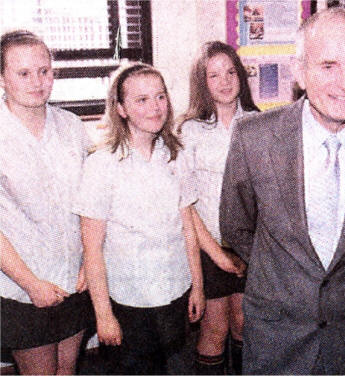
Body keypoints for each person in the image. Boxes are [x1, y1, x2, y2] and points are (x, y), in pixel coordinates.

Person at [220, 8, 345, 374]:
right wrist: (286, 272)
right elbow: (236, 226)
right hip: (278, 336)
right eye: (328, 66)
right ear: (299, 72)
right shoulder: (254, 138)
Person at [73, 63, 227, 374]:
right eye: (141, 100)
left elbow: (187, 227)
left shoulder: (175, 154)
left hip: (173, 290)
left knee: (169, 364)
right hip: (127, 299)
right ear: (121, 109)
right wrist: (103, 315)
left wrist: (197, 286)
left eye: (160, 97)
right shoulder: (102, 164)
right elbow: (92, 249)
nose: (155, 107)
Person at [0, 30, 92, 375]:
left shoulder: (71, 126)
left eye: (45, 71)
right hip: (23, 288)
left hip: (75, 279)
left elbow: (90, 205)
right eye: (23, 73)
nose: (38, 82)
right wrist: (31, 284)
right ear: (2, 78)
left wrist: (89, 263)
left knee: (65, 372)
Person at [178, 41, 257, 375]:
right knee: (214, 330)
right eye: (214, 75)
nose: (225, 81)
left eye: (230, 72)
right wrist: (215, 253)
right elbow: (186, 204)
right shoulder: (189, 130)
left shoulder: (258, 123)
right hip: (208, 246)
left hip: (249, 247)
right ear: (202, 82)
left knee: (243, 325)